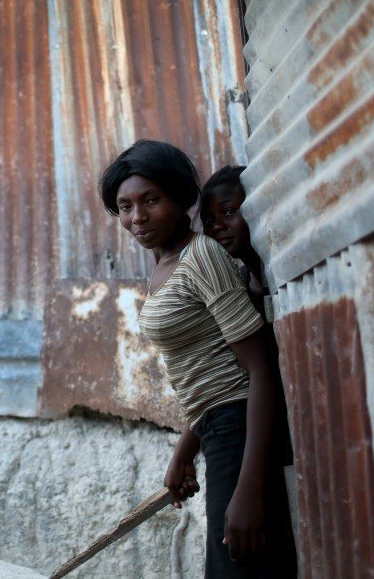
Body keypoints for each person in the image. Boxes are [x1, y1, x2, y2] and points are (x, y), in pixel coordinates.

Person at [98, 141, 296, 577]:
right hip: (215, 428)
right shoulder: (164, 263)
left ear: (179, 199)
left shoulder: (201, 257)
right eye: (125, 206)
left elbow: (258, 370)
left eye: (151, 200)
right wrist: (185, 450)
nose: (138, 218)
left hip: (240, 430)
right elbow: (204, 368)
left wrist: (249, 489)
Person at [200, 165, 293, 468]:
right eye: (208, 220)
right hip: (270, 438)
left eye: (228, 212)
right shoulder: (237, 284)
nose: (216, 227)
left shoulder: (284, 273)